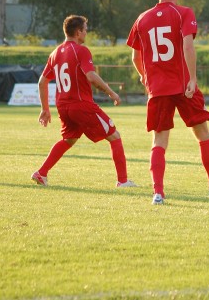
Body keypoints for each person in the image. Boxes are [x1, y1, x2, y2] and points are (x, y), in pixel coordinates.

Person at [127, 0, 209, 205]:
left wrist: (144, 76)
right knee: (203, 135)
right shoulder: (184, 13)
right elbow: (188, 47)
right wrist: (192, 78)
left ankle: (158, 193)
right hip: (183, 86)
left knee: (159, 140)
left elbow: (135, 56)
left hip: (158, 89)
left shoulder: (142, 18)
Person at [32, 15, 136, 188]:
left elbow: (42, 82)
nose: (86, 33)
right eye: (85, 29)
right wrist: (111, 93)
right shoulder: (81, 50)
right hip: (81, 104)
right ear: (78, 32)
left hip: (63, 106)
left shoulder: (55, 53)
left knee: (69, 139)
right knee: (114, 136)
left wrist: (45, 109)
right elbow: (91, 76)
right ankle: (123, 181)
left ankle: (41, 173)